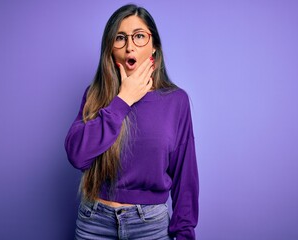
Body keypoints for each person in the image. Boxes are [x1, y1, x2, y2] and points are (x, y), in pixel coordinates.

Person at [65, 4, 199, 240]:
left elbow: (184, 178)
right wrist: (123, 100)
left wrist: (185, 234)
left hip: (150, 227)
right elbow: (77, 155)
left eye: (139, 36)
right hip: (94, 223)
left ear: (153, 46)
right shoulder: (95, 94)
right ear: (110, 49)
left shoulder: (176, 101)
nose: (129, 47)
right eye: (120, 38)